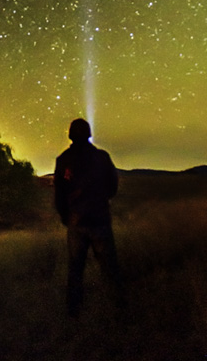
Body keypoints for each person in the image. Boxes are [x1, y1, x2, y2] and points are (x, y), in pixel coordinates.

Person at [54, 117, 123, 316]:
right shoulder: (102, 157)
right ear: (89, 134)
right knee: (110, 268)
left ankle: (74, 312)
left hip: (76, 221)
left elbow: (60, 192)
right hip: (100, 218)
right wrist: (100, 201)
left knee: (76, 269)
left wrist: (65, 215)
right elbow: (112, 186)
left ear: (70, 135)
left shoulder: (64, 159)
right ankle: (118, 309)